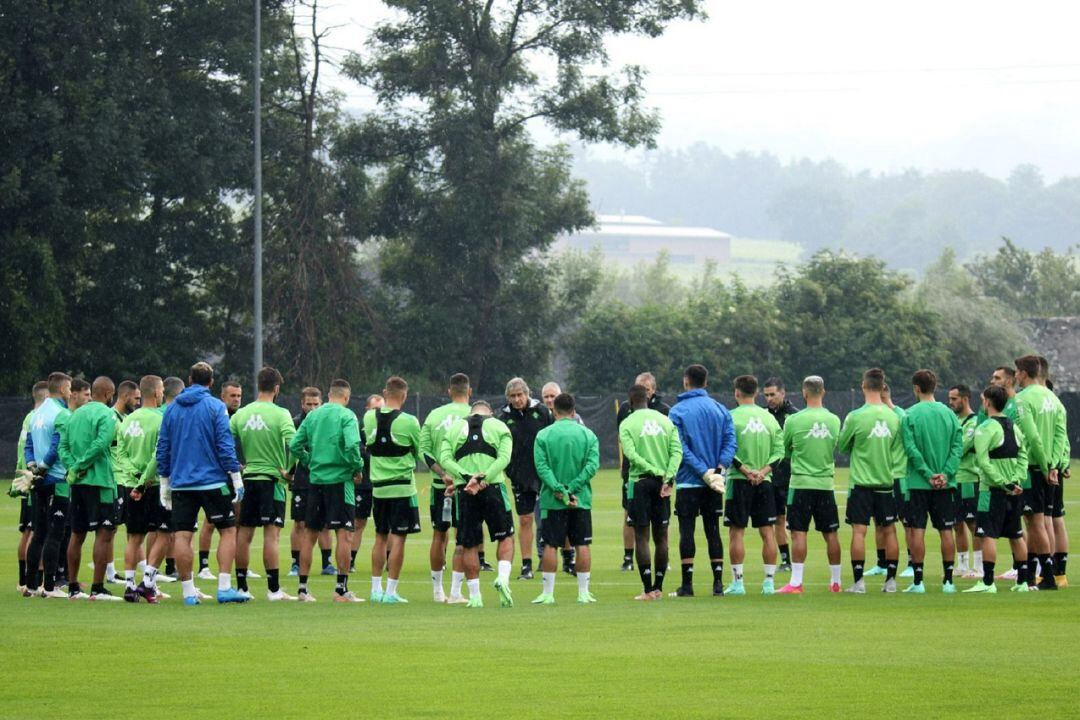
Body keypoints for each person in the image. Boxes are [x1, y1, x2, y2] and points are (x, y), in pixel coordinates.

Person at [156, 362, 248, 605]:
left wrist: (164, 482)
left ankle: (188, 592)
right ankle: (224, 587)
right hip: (212, 482)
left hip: (181, 484)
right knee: (228, 531)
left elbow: (163, 447)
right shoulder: (216, 407)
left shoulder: (172, 409)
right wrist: (236, 476)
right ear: (212, 382)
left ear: (189, 379)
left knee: (183, 535)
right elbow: (224, 444)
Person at [289, 378, 365, 603]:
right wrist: (357, 468)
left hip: (316, 481)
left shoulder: (313, 416)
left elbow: (294, 445)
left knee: (310, 534)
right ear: (346, 397)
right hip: (340, 482)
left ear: (328, 395)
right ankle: (341, 590)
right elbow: (352, 446)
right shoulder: (347, 415)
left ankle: (303, 589)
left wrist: (309, 460)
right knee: (345, 534)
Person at [667, 363, 737, 598]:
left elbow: (680, 448)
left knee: (687, 530)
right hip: (715, 481)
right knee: (713, 529)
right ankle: (718, 583)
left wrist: (702, 472)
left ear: (686, 381)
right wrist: (718, 468)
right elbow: (730, 442)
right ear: (706, 382)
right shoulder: (720, 409)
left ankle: (687, 585)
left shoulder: (677, 411)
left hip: (689, 480)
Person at [438, 400, 516, 608]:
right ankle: (503, 578)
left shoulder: (454, 428)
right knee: (506, 537)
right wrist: (484, 479)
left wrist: (466, 476)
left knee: (469, 543)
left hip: (465, 490)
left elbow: (444, 459)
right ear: (489, 412)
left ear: (471, 412)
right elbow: (505, 458)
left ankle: (475, 596)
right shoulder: (499, 426)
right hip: (493, 488)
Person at [230, 366, 296, 601]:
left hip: (248, 480)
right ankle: (274, 590)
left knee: (243, 535)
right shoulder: (281, 414)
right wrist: (289, 471)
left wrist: (237, 465)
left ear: (258, 386)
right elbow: (295, 445)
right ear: (276, 388)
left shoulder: (241, 414)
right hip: (272, 481)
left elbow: (224, 441)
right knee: (272, 536)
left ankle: (242, 588)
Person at [838, 368, 904, 594]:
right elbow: (896, 448)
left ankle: (859, 583)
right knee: (890, 531)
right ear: (882, 387)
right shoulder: (894, 417)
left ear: (864, 386)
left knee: (859, 532)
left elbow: (844, 445)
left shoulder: (855, 416)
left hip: (861, 483)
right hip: (886, 482)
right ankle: (891, 581)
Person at [532, 393, 600, 604]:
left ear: (553, 410)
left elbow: (542, 467)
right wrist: (573, 489)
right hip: (580, 499)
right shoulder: (588, 435)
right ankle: (583, 592)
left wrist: (558, 489)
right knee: (582, 544)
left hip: (553, 500)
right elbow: (592, 466)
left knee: (551, 545)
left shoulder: (543, 435)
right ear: (574, 411)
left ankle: (548, 594)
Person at [777, 376, 843, 594]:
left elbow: (785, 450)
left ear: (804, 393)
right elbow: (835, 445)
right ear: (823, 392)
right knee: (831, 534)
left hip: (801, 483)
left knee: (798, 533)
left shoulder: (794, 420)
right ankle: (836, 582)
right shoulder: (834, 420)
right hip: (825, 484)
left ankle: (796, 582)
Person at [900, 369, 962, 594]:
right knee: (946, 530)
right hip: (945, 484)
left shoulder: (909, 415)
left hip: (919, 483)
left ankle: (918, 582)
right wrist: (945, 473)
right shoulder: (950, 415)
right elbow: (957, 447)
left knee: (917, 530)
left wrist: (927, 474)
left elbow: (911, 449)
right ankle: (948, 581)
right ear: (935, 387)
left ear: (916, 388)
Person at [964, 385, 1030, 593]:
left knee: (987, 534)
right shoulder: (1014, 427)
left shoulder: (986, 428)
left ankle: (988, 582)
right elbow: (1023, 456)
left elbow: (983, 461)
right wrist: (1016, 480)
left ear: (987, 403)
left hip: (991, 491)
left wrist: (1003, 482)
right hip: (1014, 490)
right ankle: (1023, 582)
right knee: (1016, 534)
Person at [619, 384, 682, 601]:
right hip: (663, 484)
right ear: (648, 397)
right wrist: (668, 476)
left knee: (641, 536)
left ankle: (647, 590)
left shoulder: (627, 423)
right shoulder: (666, 420)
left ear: (630, 402)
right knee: (661, 536)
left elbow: (631, 455)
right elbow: (677, 451)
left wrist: (653, 471)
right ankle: (659, 587)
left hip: (640, 483)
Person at [60, 376, 120, 600]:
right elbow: (101, 443)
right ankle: (97, 588)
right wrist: (82, 464)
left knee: (77, 534)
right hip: (100, 482)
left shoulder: (75, 414)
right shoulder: (107, 414)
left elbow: (63, 446)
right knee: (104, 534)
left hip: (77, 483)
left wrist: (72, 467)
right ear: (108, 394)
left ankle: (74, 587)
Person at [364, 376, 422, 603]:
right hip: (402, 488)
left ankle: (374, 589)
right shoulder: (409, 421)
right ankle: (391, 592)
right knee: (398, 538)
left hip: (378, 489)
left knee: (380, 537)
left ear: (384, 392)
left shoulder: (369, 417)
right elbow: (420, 453)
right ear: (404, 396)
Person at [725, 375, 784, 595]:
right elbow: (780, 452)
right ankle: (768, 583)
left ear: (736, 393)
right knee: (767, 531)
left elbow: (727, 449)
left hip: (740, 481)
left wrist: (745, 470)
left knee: (736, 532)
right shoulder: (769, 418)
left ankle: (738, 583)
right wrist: (763, 471)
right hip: (764, 482)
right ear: (757, 393)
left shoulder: (730, 417)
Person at [116, 375, 172, 602]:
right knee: (165, 533)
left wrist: (134, 476)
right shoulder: (161, 419)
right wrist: (145, 479)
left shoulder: (127, 420)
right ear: (158, 392)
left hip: (132, 484)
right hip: (154, 485)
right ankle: (148, 580)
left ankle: (129, 586)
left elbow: (120, 454)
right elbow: (158, 456)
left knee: (134, 537)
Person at [1013, 354, 1066, 590]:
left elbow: (1032, 436)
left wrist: (1045, 467)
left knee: (1034, 523)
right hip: (1049, 468)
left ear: (1023, 373)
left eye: (1016, 372)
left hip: (1031, 468)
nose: (1015, 376)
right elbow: (1059, 436)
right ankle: (1032, 576)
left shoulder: (1022, 399)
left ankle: (1047, 576)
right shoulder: (1054, 399)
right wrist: (1054, 465)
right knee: (1040, 521)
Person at [418, 373, 472, 603]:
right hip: (466, 486)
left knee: (439, 535)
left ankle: (438, 591)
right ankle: (457, 592)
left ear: (449, 391)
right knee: (462, 538)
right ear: (469, 392)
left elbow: (424, 451)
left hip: (440, 485)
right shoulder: (473, 415)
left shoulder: (434, 415)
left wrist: (442, 473)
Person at [498, 378, 553, 580]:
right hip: (520, 475)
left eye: (520, 395)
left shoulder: (542, 412)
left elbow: (552, 438)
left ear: (527, 394)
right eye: (513, 396)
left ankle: (560, 559)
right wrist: (510, 470)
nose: (517, 399)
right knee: (525, 519)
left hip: (544, 473)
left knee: (550, 517)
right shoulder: (503, 416)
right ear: (508, 398)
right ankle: (526, 565)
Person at [615, 371, 670, 571]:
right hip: (633, 473)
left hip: (659, 474)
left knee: (661, 522)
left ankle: (663, 558)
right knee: (630, 514)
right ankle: (628, 557)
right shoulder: (625, 410)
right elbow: (623, 440)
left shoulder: (664, 410)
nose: (643, 393)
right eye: (640, 388)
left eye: (647, 389)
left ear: (653, 390)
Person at [196, 379, 244, 580]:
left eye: (239, 396)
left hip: (237, 474)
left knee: (237, 521)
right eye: (232, 396)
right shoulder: (215, 414)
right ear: (222, 396)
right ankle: (204, 566)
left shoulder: (242, 417)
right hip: (218, 476)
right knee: (210, 522)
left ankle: (239, 565)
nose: (236, 399)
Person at [288, 387, 335, 577]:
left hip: (323, 478)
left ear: (322, 404)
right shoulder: (295, 423)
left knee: (324, 523)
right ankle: (295, 564)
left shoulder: (328, 424)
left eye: (316, 404)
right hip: (302, 479)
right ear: (302, 404)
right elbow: (291, 450)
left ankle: (327, 564)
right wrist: (290, 471)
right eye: (309, 404)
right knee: (300, 523)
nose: (313, 408)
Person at [539, 380, 580, 573]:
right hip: (545, 481)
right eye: (546, 396)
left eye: (552, 396)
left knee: (565, 524)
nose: (549, 400)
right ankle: (542, 558)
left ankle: (568, 558)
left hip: (562, 482)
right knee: (542, 523)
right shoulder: (538, 416)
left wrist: (561, 487)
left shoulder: (576, 421)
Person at [1037, 356, 1069, 588]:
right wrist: (1062, 464)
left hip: (1046, 468)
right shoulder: (1058, 405)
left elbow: (1060, 438)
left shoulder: (1047, 405)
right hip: (1055, 467)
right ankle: (1059, 573)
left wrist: (1055, 465)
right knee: (1055, 518)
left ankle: (1045, 570)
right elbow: (1063, 440)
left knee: (1045, 519)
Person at [13, 381, 48, 594]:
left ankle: (24, 580)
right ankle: (29, 581)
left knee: (29, 529)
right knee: (33, 531)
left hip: (25, 479)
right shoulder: (37, 418)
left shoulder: (30, 418)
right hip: (31, 479)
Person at [763, 378, 797, 572]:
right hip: (772, 477)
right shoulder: (762, 416)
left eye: (772, 394)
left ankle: (798, 562)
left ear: (783, 393)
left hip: (792, 476)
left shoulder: (795, 416)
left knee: (794, 523)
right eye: (766, 395)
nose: (769, 398)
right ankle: (786, 560)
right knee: (778, 519)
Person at [948, 384, 981, 578]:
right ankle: (962, 564)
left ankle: (978, 567)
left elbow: (962, 447)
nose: (950, 402)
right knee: (956, 524)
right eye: (950, 399)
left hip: (969, 479)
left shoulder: (974, 421)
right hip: (953, 480)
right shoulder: (954, 421)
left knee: (973, 524)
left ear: (965, 399)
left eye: (954, 399)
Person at [351, 394, 383, 573]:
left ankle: (388, 561)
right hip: (363, 483)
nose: (378, 413)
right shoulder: (359, 428)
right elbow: (358, 452)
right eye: (375, 409)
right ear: (367, 410)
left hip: (383, 482)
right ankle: (350, 560)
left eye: (381, 409)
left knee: (386, 525)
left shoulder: (388, 427)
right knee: (358, 523)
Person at [159, 376, 185, 584]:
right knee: (171, 529)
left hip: (157, 476)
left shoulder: (155, 413)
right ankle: (164, 568)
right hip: (173, 476)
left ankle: (165, 566)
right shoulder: (174, 414)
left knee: (157, 528)